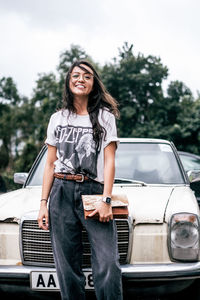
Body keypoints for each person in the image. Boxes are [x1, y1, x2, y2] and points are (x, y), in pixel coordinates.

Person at [37, 60, 123, 300]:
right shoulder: (57, 118)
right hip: (61, 191)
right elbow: (50, 164)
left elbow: (109, 162)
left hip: (93, 192)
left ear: (93, 83)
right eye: (76, 75)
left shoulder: (105, 118)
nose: (80, 80)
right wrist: (43, 203)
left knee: (107, 263)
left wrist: (106, 198)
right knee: (67, 267)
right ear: (68, 81)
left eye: (87, 76)